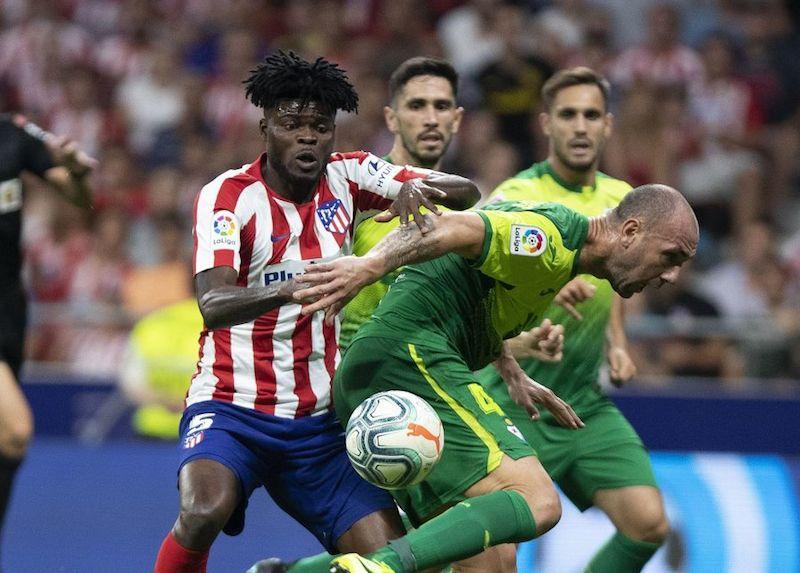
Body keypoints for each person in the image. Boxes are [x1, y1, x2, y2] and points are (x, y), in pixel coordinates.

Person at [153, 51, 480, 573]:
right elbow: (213, 304)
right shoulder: (228, 196)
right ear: (265, 128)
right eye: (292, 126)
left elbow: (468, 192)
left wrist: (419, 187)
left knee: (389, 560)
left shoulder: (350, 174)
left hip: (319, 422)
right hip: (232, 405)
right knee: (202, 512)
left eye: (320, 128)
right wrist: (296, 287)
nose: (308, 138)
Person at [292, 183, 699, 573]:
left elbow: (472, 287)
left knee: (490, 561)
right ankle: (382, 566)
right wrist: (369, 265)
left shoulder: (562, 260)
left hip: (390, 366)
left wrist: (508, 366)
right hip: (407, 359)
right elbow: (448, 227)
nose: (672, 276)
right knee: (536, 499)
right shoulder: (550, 239)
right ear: (630, 232)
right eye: (671, 256)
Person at [478, 67, 671, 573]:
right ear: (547, 124)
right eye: (568, 115)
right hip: (510, 403)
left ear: (608, 125)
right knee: (492, 556)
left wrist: (617, 343)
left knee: (648, 524)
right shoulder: (515, 196)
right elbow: (477, 283)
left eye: (591, 115)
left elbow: (620, 279)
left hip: (582, 401)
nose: (580, 126)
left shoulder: (626, 201)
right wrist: (547, 276)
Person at [0, 113, 95, 570]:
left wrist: (76, 172)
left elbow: (80, 197)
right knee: (14, 431)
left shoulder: (13, 134)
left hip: (8, 314)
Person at [119, 298, 204, 440]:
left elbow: (131, 384)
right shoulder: (224, 325)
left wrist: (164, 401)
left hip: (153, 428)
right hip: (203, 429)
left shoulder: (150, 324)